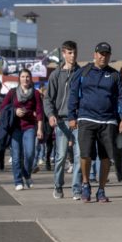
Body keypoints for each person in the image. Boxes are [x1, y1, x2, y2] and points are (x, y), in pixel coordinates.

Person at [68, 42, 122, 203]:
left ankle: (101, 189)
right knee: (85, 154)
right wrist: (71, 116)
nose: (103, 57)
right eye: (101, 54)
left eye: (106, 54)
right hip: (86, 118)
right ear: (95, 54)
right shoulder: (83, 72)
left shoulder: (115, 75)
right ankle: (86, 184)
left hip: (108, 120)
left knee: (106, 157)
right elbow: (73, 93)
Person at [44, 40, 82, 199]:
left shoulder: (81, 73)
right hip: (61, 120)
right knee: (60, 156)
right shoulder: (56, 74)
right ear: (64, 53)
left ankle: (76, 189)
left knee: (80, 156)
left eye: (75, 52)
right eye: (70, 52)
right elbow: (48, 99)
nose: (73, 56)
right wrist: (51, 115)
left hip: (78, 120)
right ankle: (58, 186)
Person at [1, 68, 44, 190]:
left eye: (27, 77)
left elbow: (40, 112)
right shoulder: (12, 92)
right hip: (15, 127)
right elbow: (2, 109)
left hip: (29, 126)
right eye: (23, 76)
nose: (25, 79)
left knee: (30, 153)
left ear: (30, 79)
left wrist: (40, 129)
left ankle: (27, 174)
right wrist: (15, 111)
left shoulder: (35, 93)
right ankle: (18, 181)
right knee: (16, 156)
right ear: (19, 79)